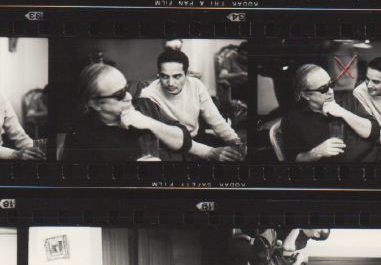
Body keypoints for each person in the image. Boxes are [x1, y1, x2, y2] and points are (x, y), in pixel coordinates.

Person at [63, 63, 192, 162]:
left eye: (127, 88)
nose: (129, 97)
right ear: (96, 104)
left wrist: (149, 122)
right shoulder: (80, 135)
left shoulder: (145, 105)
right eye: (119, 95)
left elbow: (186, 142)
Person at [140, 50, 244, 162]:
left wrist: (235, 141)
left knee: (235, 157)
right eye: (165, 76)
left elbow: (216, 120)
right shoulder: (148, 95)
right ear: (158, 74)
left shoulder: (196, 85)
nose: (170, 83)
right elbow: (164, 136)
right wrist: (210, 153)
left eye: (177, 76)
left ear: (187, 74)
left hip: (197, 139)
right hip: (170, 147)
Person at [281, 64, 381, 163]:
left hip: (378, 157)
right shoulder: (293, 119)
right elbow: (292, 159)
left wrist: (343, 113)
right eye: (324, 89)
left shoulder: (347, 99)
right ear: (306, 95)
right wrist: (316, 152)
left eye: (331, 84)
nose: (331, 91)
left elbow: (375, 132)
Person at [0, 95, 45, 160]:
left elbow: (20, 137)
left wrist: (37, 150)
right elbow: (13, 154)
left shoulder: (2, 99)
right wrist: (14, 154)